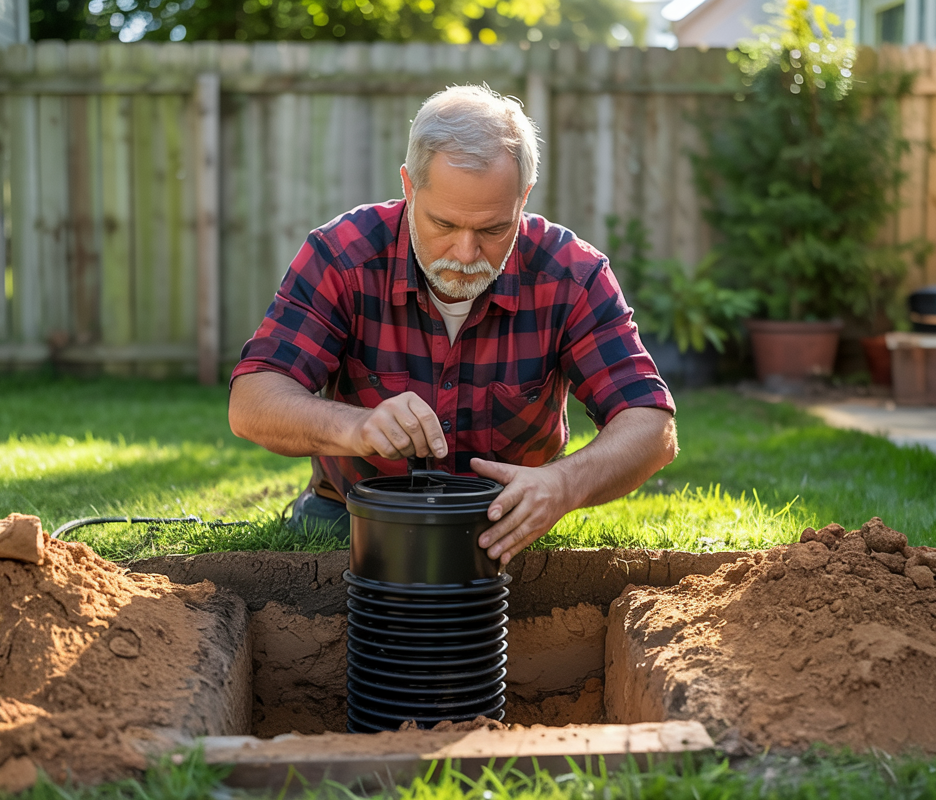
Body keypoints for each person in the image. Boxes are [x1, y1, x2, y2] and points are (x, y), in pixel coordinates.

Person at [228, 85, 678, 566]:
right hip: (354, 516)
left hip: (505, 523)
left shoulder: (572, 274)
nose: (466, 253)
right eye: (443, 225)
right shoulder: (342, 257)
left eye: (492, 229)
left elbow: (652, 426)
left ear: (523, 197)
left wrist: (563, 484)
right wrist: (356, 426)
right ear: (409, 187)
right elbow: (252, 401)